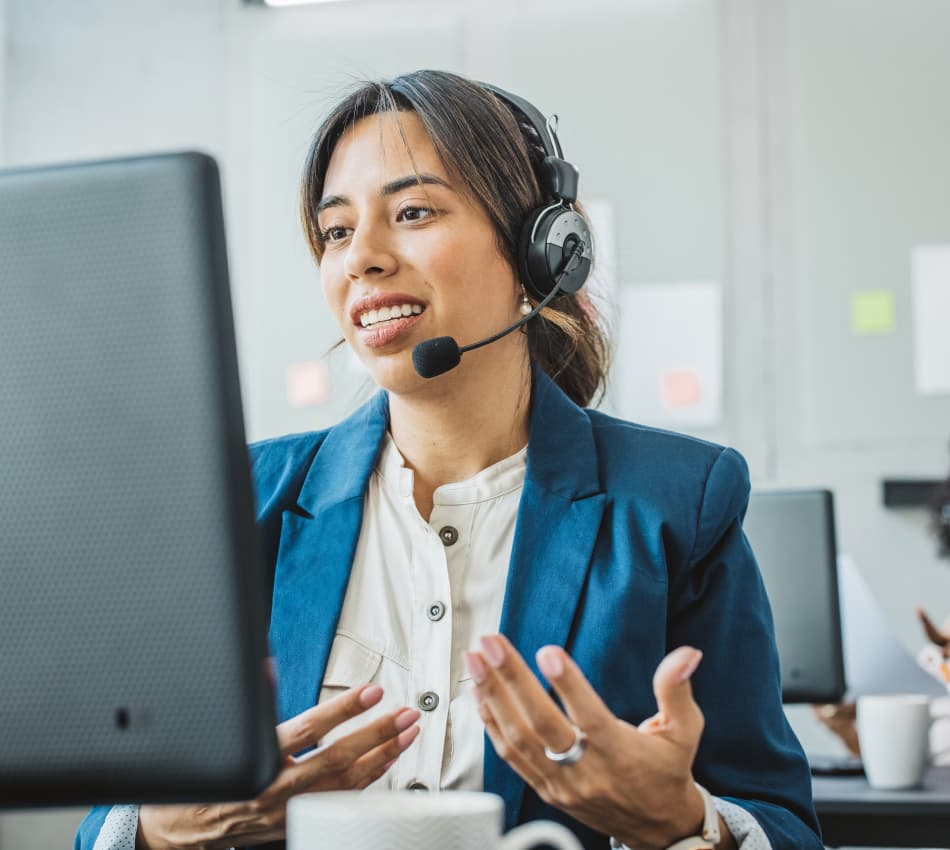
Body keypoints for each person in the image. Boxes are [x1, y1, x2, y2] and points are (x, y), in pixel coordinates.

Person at [76, 69, 822, 850]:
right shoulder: (239, 503)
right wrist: (160, 830)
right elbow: (109, 821)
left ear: (542, 253)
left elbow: (784, 825)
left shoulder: (679, 502)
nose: (362, 257)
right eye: (335, 231)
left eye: (413, 212)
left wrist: (686, 824)